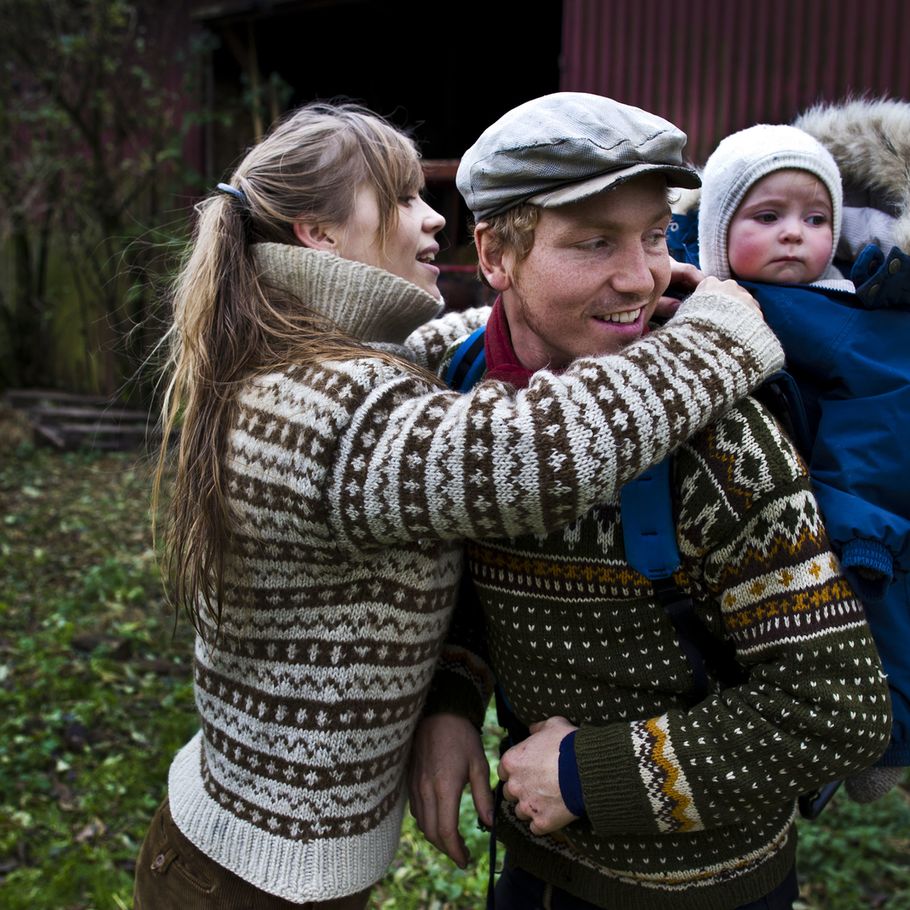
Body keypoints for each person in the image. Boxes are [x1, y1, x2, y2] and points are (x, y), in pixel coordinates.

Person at [132, 100, 785, 909]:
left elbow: (440, 359)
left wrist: (583, 303)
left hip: (249, 848)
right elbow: (535, 453)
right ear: (318, 233)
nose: (431, 217)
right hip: (245, 882)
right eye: (402, 197)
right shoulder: (329, 411)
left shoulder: (312, 360)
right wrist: (716, 332)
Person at [409, 93, 892, 910]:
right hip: (536, 869)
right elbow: (478, 579)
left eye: (656, 234)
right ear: (493, 253)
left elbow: (838, 707)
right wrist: (453, 697)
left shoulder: (719, 439)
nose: (641, 277)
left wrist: (588, 773)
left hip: (707, 890)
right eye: (595, 241)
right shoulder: (462, 391)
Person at [698, 121, 910, 801]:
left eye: (817, 218)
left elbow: (877, 428)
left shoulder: (845, 314)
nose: (796, 233)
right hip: (764, 512)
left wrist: (862, 527)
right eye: (769, 216)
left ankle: (888, 741)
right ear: (716, 231)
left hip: (861, 516)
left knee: (880, 609)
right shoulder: (707, 296)